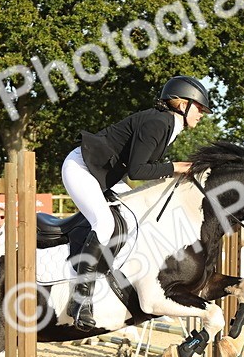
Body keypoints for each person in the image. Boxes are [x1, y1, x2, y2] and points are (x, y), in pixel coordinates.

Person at [61, 75, 211, 330]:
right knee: (106, 224)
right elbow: (138, 171)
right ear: (183, 104)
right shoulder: (158, 122)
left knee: (133, 218)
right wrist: (176, 167)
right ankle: (80, 299)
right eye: (199, 108)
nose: (202, 114)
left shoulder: (168, 126)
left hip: (103, 174)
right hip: (82, 169)